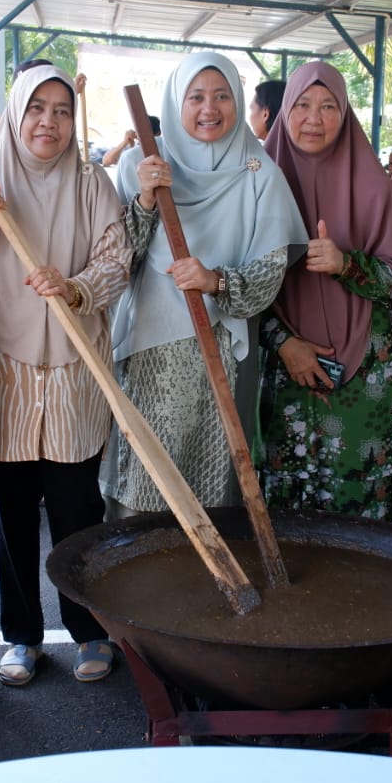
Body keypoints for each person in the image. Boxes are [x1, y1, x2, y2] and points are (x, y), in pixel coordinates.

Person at [0, 63, 130, 686]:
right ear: (14, 114)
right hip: (5, 368)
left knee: (77, 513)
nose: (49, 122)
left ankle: (88, 631)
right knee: (11, 515)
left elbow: (118, 261)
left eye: (61, 110)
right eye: (37, 108)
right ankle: (22, 637)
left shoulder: (91, 182)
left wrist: (75, 286)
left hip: (73, 369)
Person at [107, 51, 308, 514]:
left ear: (238, 101)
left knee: (216, 480)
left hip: (223, 350)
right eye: (195, 96)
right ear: (177, 101)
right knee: (146, 480)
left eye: (222, 96)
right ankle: (136, 579)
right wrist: (145, 199)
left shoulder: (261, 175)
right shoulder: (140, 163)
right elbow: (119, 260)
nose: (209, 108)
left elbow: (267, 274)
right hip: (150, 351)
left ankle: (210, 579)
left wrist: (215, 280)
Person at [258, 61, 392, 519]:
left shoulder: (372, 185)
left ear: (345, 113)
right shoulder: (256, 183)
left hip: (364, 376)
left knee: (359, 510)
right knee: (287, 505)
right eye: (304, 105)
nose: (315, 118)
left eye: (329, 105)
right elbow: (233, 283)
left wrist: (346, 263)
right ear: (285, 110)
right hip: (284, 370)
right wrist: (284, 342)